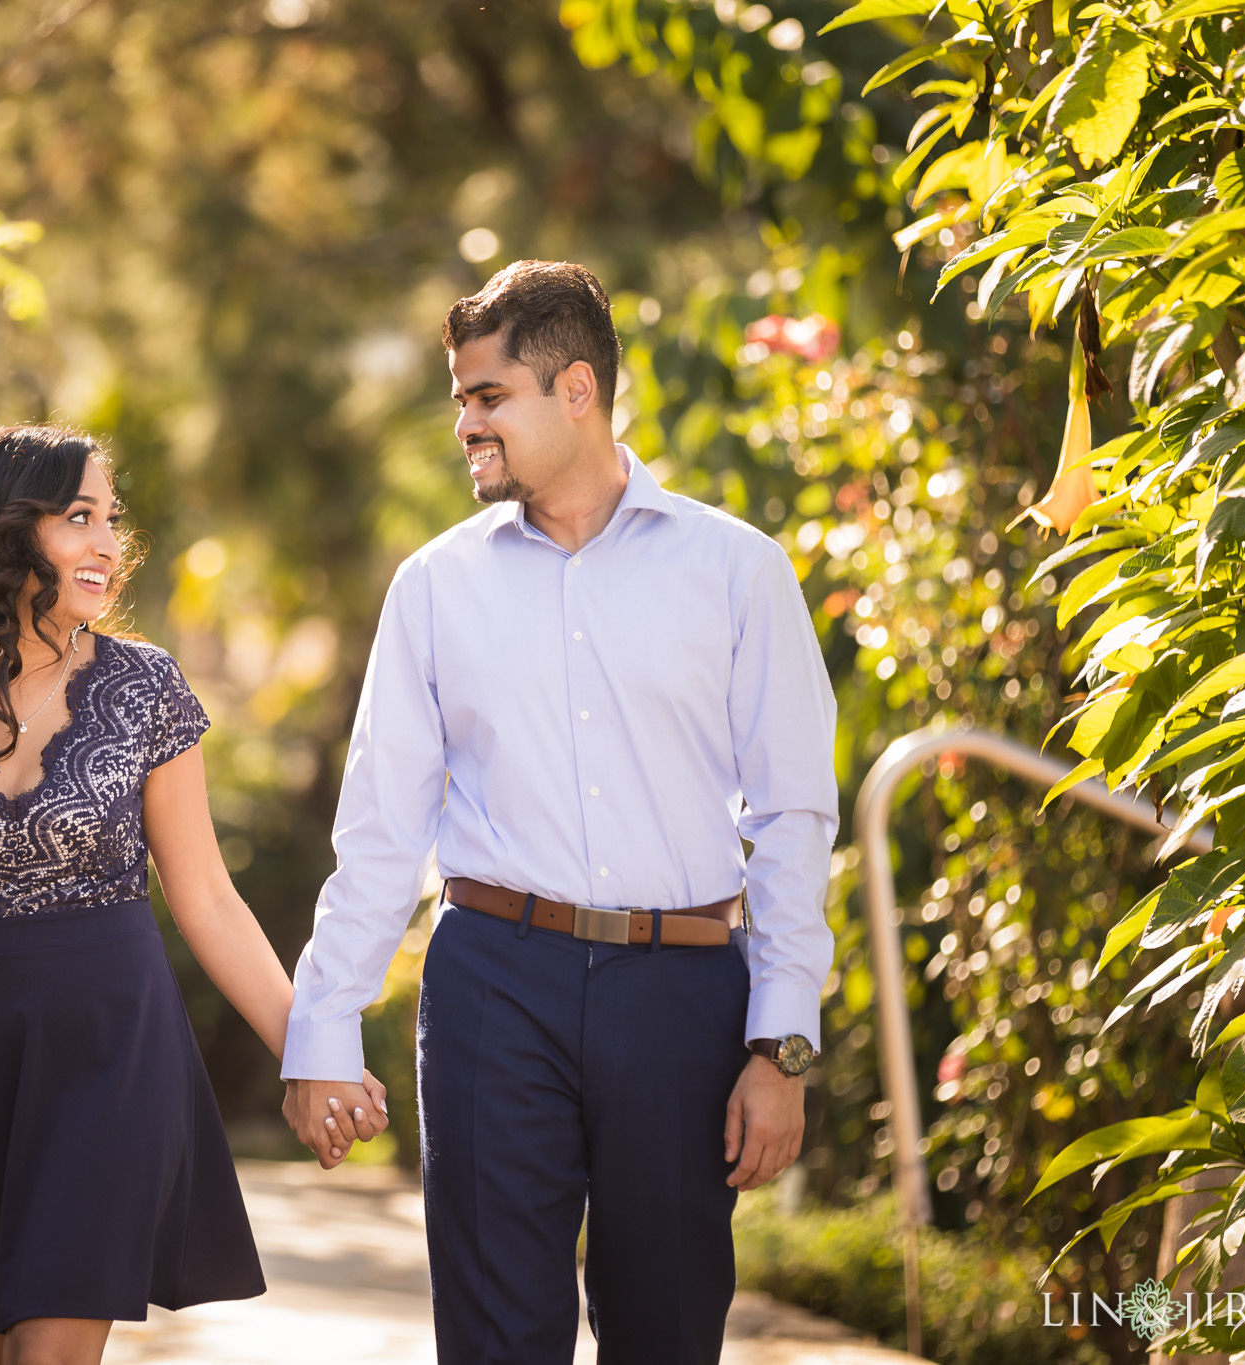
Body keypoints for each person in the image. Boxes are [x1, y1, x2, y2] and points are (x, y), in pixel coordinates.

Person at [278, 261, 837, 1364]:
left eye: (486, 398)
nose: (464, 426)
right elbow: (380, 828)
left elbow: (790, 818)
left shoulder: (736, 573)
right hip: (494, 981)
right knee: (492, 1338)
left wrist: (781, 1047)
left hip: (680, 993)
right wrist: (321, 1029)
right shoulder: (436, 586)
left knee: (666, 1329)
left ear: (575, 390)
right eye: (458, 401)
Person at [0, 425, 389, 1365]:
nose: (109, 542)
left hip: (114, 1054)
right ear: (3, 532)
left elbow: (209, 898)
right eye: (78, 518)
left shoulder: (146, 687)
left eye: (112, 518)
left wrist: (313, 1049)